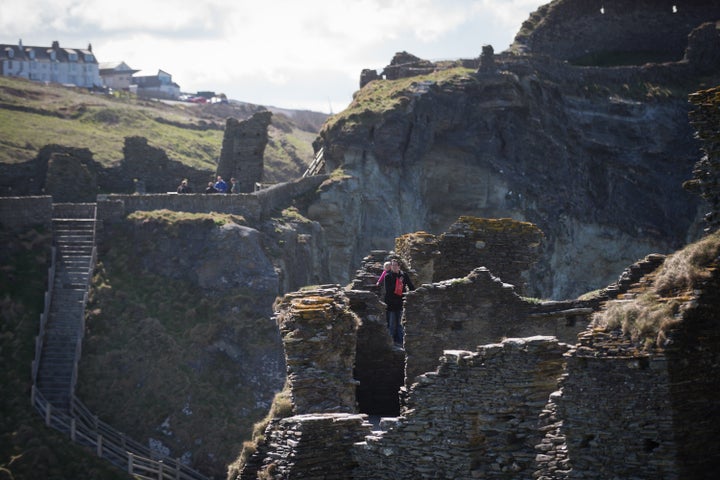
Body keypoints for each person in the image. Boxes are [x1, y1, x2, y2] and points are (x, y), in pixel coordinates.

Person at [382, 259, 414, 345]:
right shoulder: (388, 276)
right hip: (391, 303)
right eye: (392, 265)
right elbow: (388, 290)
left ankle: (400, 344)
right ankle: (390, 344)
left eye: (395, 265)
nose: (394, 267)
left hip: (401, 303)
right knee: (391, 324)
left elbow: (411, 287)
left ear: (399, 266)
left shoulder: (404, 275)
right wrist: (399, 283)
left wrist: (411, 297)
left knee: (400, 325)